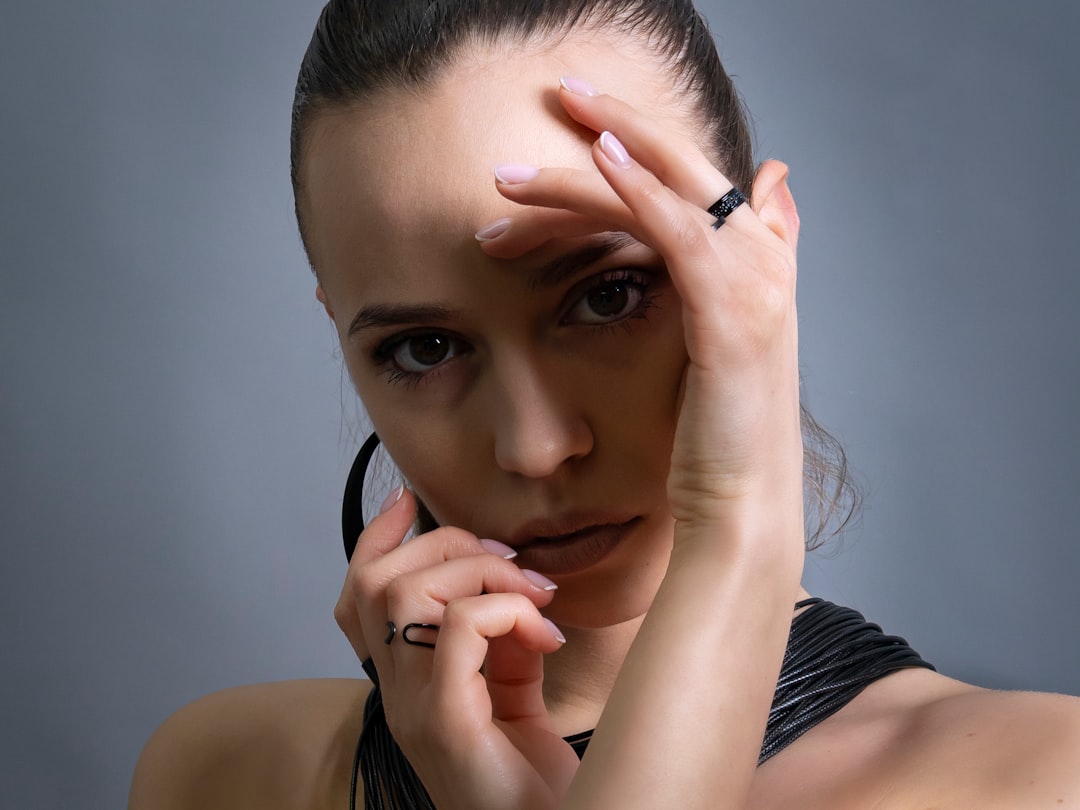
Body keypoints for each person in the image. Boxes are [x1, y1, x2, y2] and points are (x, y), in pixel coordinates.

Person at [129, 1, 1080, 807]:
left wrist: (740, 530)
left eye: (610, 295)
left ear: (765, 252)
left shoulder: (1039, 779)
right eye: (424, 348)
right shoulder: (230, 773)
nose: (536, 447)